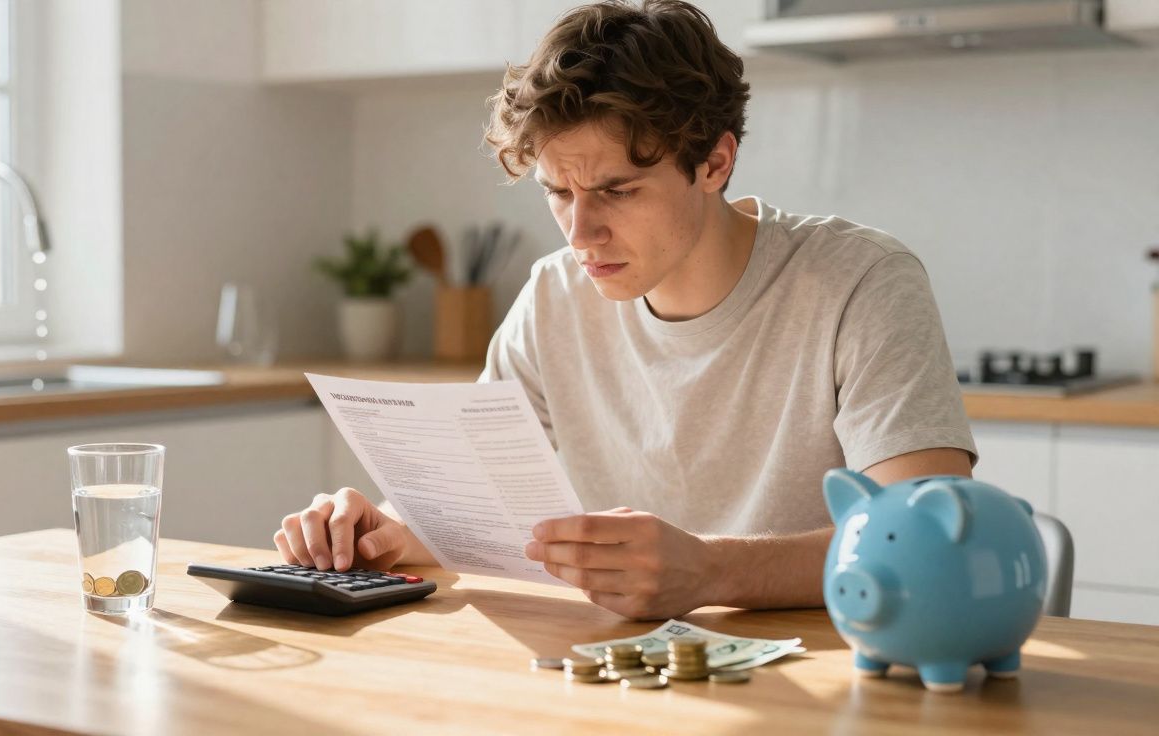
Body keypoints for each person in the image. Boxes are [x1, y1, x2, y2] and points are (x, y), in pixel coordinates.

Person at [274, 0, 976, 619]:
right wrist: (383, 532)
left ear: (715, 163)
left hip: (832, 667)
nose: (580, 234)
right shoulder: (553, 297)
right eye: (558, 193)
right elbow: (475, 511)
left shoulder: (861, 282)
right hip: (616, 670)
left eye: (617, 191)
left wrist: (712, 571)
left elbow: (926, 539)